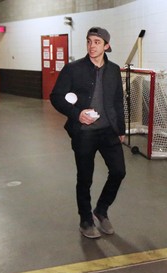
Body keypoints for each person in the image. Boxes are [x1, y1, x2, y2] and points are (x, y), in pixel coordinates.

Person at [50, 27, 126, 239]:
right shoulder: (73, 69)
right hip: (84, 133)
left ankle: (101, 210)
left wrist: (121, 129)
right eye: (89, 41)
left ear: (106, 46)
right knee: (85, 177)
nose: (92, 46)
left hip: (108, 131)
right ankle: (85, 219)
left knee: (119, 171)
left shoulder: (113, 70)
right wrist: (77, 114)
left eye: (97, 42)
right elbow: (56, 96)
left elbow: (118, 101)